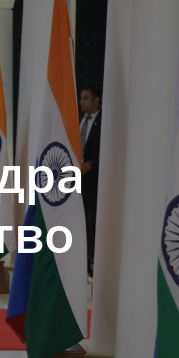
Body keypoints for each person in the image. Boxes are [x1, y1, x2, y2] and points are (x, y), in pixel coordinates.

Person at [78, 86, 102, 276]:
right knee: (81, 221)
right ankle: (82, 260)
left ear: (96, 100)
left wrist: (92, 164)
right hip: (78, 181)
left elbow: (109, 149)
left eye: (86, 98)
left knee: (93, 221)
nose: (82, 101)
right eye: (81, 98)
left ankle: (94, 260)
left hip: (95, 181)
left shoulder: (103, 122)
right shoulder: (79, 121)